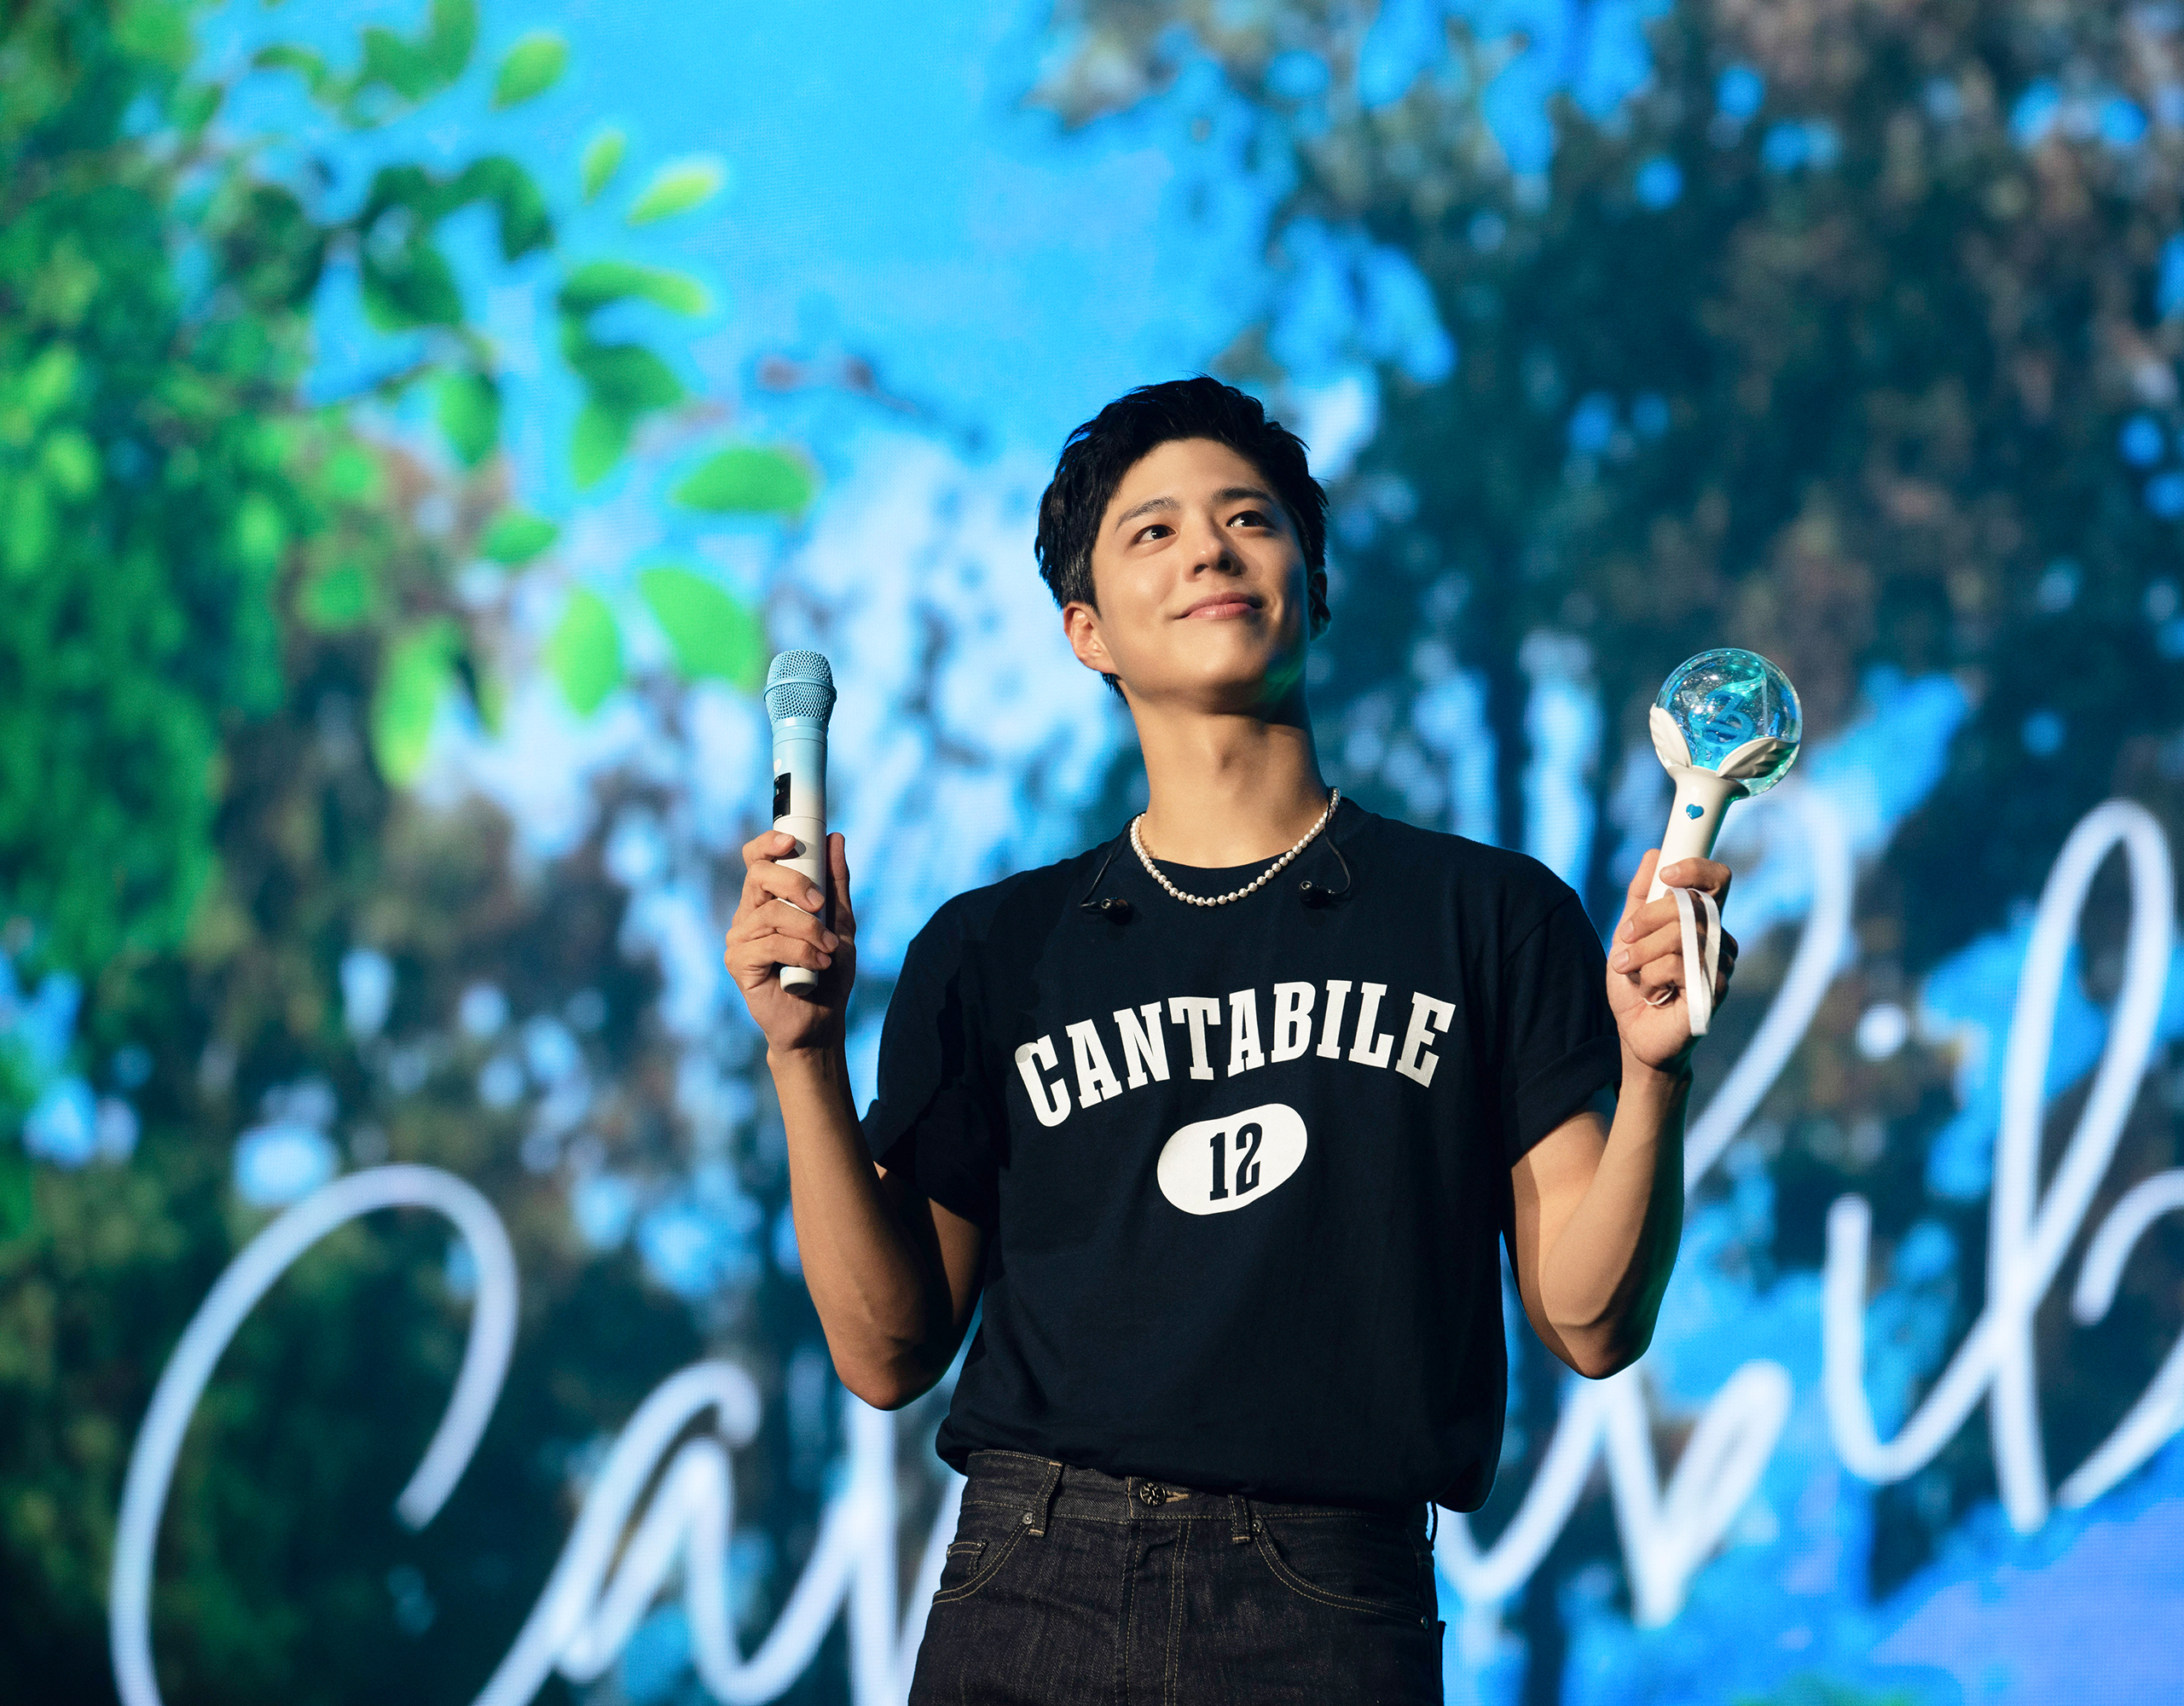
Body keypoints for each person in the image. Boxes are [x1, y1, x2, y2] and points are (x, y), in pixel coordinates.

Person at [722, 377, 1737, 1704]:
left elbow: (1591, 1323)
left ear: (1315, 588)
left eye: (1249, 519)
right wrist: (803, 1056)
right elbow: (886, 1352)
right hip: (1027, 1586)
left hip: (1328, 1606)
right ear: (1087, 632)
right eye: (1152, 531)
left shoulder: (1486, 915)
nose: (1208, 548)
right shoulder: (994, 947)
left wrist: (1657, 1074)